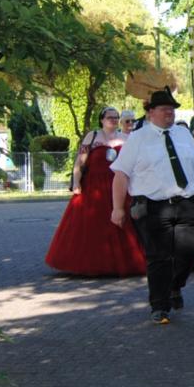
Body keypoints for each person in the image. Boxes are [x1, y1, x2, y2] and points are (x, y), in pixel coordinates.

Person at [109, 89, 194, 324]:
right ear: (151, 112)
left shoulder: (183, 134)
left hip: (186, 202)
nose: (170, 113)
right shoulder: (138, 138)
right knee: (158, 257)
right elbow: (121, 174)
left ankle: (174, 285)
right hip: (152, 207)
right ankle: (160, 306)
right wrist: (118, 208)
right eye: (165, 109)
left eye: (172, 109)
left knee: (191, 249)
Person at [46, 106, 147, 276]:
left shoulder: (126, 138)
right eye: (109, 117)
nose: (113, 120)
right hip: (93, 187)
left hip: (118, 186)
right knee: (89, 226)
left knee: (122, 222)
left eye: (116, 117)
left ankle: (123, 262)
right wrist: (76, 182)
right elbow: (80, 161)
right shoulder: (92, 136)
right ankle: (90, 263)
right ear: (102, 120)